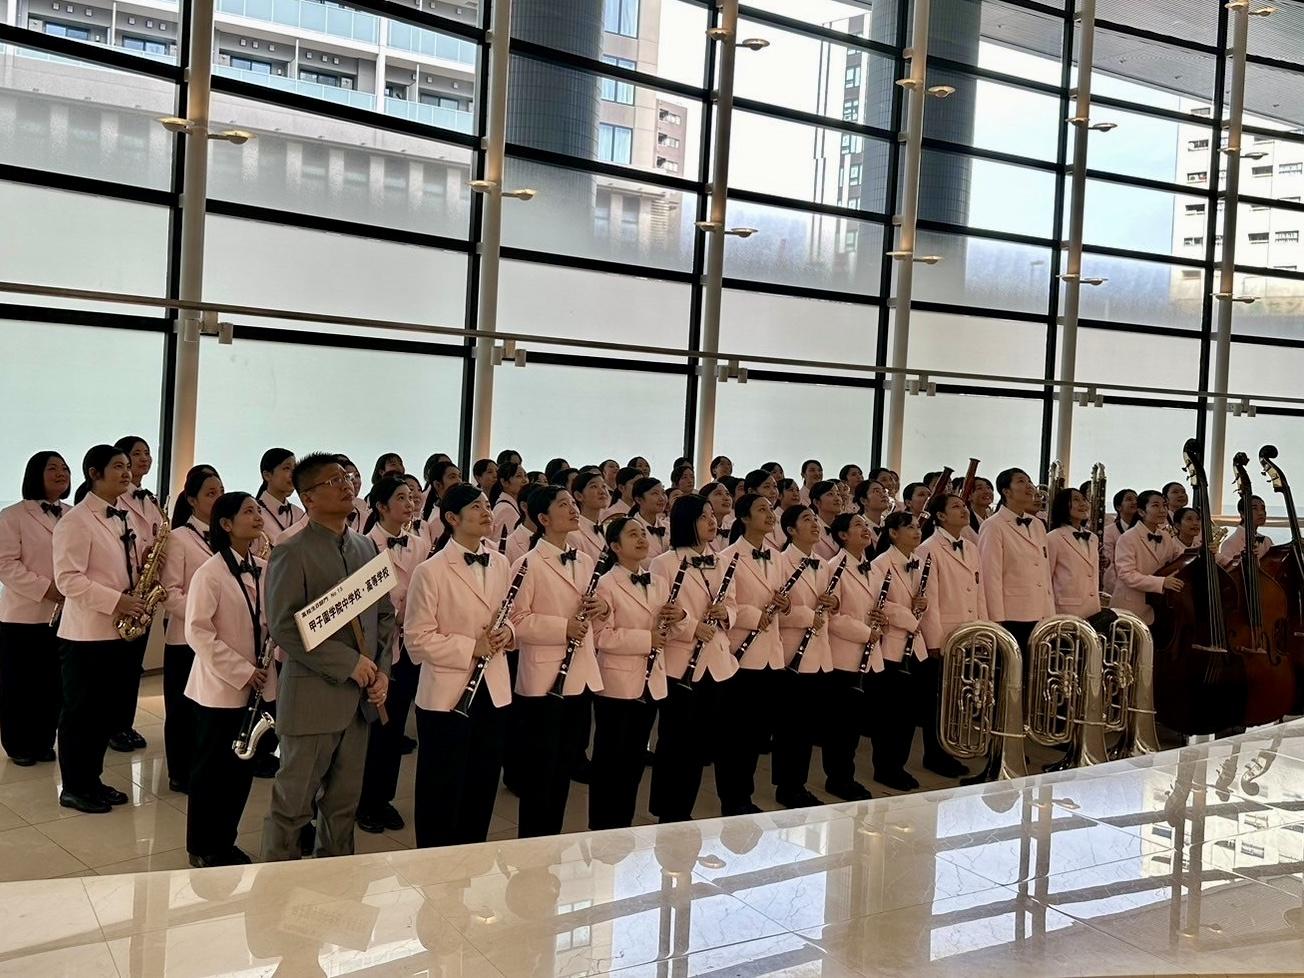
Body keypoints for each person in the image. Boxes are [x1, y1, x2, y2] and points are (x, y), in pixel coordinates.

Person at [262, 453, 395, 861]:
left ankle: (336, 881)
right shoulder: (291, 551)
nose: (346, 485)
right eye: (333, 481)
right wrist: (348, 663)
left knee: (342, 806)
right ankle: (277, 883)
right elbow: (284, 626)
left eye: (347, 478)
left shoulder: (366, 547)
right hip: (311, 700)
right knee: (292, 807)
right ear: (308, 497)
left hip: (359, 703)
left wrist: (382, 672)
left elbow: (384, 615)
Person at [404, 483, 515, 847]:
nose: (487, 512)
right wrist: (471, 647)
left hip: (493, 688)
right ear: (452, 518)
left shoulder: (500, 562)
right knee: (441, 787)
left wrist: (509, 633)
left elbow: (510, 615)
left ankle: (472, 856)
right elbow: (416, 639)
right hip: (446, 694)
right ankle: (435, 861)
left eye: (487, 505)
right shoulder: (430, 570)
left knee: (482, 782)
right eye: (477, 507)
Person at [509, 485, 610, 837]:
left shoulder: (585, 560)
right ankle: (533, 842)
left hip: (579, 675)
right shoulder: (528, 563)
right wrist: (562, 627)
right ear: (543, 518)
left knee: (565, 764)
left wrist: (602, 607)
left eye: (572, 503)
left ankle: (552, 841)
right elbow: (517, 622)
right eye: (563, 504)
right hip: (544, 679)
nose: (573, 509)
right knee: (540, 769)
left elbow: (598, 614)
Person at [183, 491, 277, 867]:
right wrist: (243, 671)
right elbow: (198, 632)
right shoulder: (209, 573)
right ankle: (202, 847)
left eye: (258, 510)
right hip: (220, 688)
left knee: (241, 770)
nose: (257, 516)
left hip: (258, 685)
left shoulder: (265, 568)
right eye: (248, 511)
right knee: (211, 772)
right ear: (226, 524)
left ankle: (225, 841)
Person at [52, 445, 144, 814]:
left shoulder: (124, 515)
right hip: (85, 634)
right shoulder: (75, 521)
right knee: (81, 714)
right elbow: (68, 579)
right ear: (94, 473)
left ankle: (93, 780)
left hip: (117, 632)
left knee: (103, 714)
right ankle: (74, 787)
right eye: (118, 467)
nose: (127, 473)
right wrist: (118, 601)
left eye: (127, 466)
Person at [590, 516, 683, 829]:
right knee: (609, 760)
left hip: (650, 680)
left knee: (633, 761)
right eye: (633, 535)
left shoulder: (658, 582)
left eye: (643, 533)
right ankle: (602, 826)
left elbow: (668, 629)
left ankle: (624, 823)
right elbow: (601, 637)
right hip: (617, 683)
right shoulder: (606, 583)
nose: (642, 539)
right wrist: (647, 639)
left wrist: (677, 620)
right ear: (615, 547)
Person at [649, 494, 737, 822]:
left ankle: (684, 809)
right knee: (675, 742)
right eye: (703, 516)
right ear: (686, 521)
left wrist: (726, 613)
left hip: (718, 663)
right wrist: (690, 625)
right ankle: (668, 811)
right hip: (680, 664)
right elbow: (662, 613)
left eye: (712, 515)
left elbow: (734, 603)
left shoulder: (723, 561)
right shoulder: (664, 563)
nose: (712, 521)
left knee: (699, 745)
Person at [356, 476, 423, 835]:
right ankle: (364, 802)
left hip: (411, 646)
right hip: (380, 649)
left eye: (411, 497)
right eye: (400, 498)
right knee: (374, 728)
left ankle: (383, 798)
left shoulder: (420, 544)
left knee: (395, 727)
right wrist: (396, 615)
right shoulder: (365, 546)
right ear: (381, 507)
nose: (409, 504)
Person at [717, 494, 790, 815]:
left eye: (770, 509)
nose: (770, 514)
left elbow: (782, 597)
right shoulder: (727, 557)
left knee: (758, 732)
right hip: (741, 654)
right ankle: (733, 798)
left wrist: (785, 604)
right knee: (736, 735)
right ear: (744, 518)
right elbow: (725, 604)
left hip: (772, 653)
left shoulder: (777, 557)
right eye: (762, 510)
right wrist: (754, 615)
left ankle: (745, 794)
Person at [0, 451, 70, 767]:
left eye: (64, 468)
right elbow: (6, 565)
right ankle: (18, 744)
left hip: (65, 615)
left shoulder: (73, 515)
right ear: (35, 475)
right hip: (23, 615)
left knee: (53, 684)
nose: (60, 472)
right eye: (52, 468)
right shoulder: (12, 516)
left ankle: (43, 740)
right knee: (19, 684)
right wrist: (47, 589)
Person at [159, 465, 224, 793]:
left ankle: (207, 766)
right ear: (192, 500)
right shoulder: (179, 538)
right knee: (182, 710)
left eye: (221, 492)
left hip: (223, 638)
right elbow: (170, 592)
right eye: (211, 493)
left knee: (212, 708)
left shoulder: (229, 536)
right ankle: (180, 772)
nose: (218, 498)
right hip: (186, 638)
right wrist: (204, 618)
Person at [772, 504, 837, 808]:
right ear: (790, 530)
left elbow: (829, 607)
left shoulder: (822, 564)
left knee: (807, 727)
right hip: (792, 654)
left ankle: (798, 783)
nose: (814, 524)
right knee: (790, 728)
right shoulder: (781, 562)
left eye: (814, 519)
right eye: (806, 520)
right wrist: (808, 615)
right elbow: (776, 610)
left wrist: (833, 602)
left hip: (819, 653)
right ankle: (787, 787)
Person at [916, 493, 983, 778]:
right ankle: (935, 754)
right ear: (940, 516)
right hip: (944, 635)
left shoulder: (971, 547)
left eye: (964, 506)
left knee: (959, 695)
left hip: (968, 632)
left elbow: (978, 590)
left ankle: (952, 747)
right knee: (938, 700)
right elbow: (929, 600)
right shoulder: (928, 549)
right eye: (956, 507)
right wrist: (933, 641)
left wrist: (984, 628)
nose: (963, 510)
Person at [864, 512, 929, 791]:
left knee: (907, 714)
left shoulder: (919, 562)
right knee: (889, 715)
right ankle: (885, 768)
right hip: (891, 646)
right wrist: (909, 617)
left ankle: (899, 765)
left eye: (917, 526)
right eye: (909, 527)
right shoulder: (880, 563)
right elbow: (879, 604)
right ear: (893, 533)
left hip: (915, 646)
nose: (916, 531)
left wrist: (923, 604)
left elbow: (922, 599)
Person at [112, 434, 162, 754]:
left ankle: (125, 724)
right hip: (122, 589)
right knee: (116, 666)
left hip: (145, 590)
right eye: (137, 454)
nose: (144, 459)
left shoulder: (151, 499)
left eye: (147, 453)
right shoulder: (114, 499)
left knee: (133, 666)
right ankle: (111, 726)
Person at [824, 512, 879, 799]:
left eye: (865, 525)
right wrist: (866, 632)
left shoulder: (872, 568)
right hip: (844, 655)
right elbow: (833, 617)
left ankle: (848, 775)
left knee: (855, 725)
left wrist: (884, 618)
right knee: (841, 727)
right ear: (843, 535)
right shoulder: (834, 567)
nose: (865, 529)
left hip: (869, 655)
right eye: (858, 525)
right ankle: (838, 779)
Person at [978, 468, 1054, 654]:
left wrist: (1050, 612)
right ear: (1006, 491)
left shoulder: (1037, 524)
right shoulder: (993, 526)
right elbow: (990, 576)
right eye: (1021, 481)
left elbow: (1044, 571)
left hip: (1040, 612)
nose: (1029, 486)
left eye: (1030, 482)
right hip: (1012, 614)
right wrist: (996, 620)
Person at [1110, 490, 1184, 625]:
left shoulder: (1165, 536)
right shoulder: (1128, 538)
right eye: (1155, 506)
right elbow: (1127, 574)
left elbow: (1181, 556)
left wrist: (1207, 551)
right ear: (1141, 512)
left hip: (1159, 606)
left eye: (1164, 505)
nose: (1163, 510)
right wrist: (1161, 582)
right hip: (1131, 607)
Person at [1045, 487, 1102, 619]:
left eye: (1084, 499)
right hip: (1064, 611)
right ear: (1063, 506)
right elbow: (1046, 578)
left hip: (1093, 609)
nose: (1083, 504)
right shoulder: (1053, 538)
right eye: (1076, 500)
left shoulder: (1093, 538)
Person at [255, 448, 303, 545]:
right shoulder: (254, 513)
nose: (293, 474)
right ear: (267, 475)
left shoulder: (298, 513)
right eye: (287, 468)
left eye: (295, 468)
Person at [1218, 494, 1272, 568]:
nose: (1261, 513)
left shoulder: (1267, 541)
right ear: (1242, 514)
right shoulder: (1230, 543)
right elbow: (1229, 572)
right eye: (1254, 508)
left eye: (1263, 509)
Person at [569, 471, 611, 563]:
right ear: (579, 496)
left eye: (603, 486)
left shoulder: (608, 528)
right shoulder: (572, 534)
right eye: (594, 486)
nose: (602, 491)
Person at [1102, 488, 1138, 595]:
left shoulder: (1144, 530)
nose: (1134, 502)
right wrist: (1117, 589)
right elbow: (1109, 565)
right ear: (1118, 507)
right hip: (1118, 588)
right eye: (1129, 499)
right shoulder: (1109, 531)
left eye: (1136, 499)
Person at [489, 461, 528, 551]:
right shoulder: (505, 509)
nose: (525, 480)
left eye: (525, 476)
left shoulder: (511, 505)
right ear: (504, 482)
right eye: (519, 476)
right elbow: (500, 544)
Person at [630, 477, 670, 566]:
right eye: (655, 493)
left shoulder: (669, 527)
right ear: (638, 499)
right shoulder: (628, 529)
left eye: (663, 493)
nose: (662, 498)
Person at [809, 481, 843, 561]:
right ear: (816, 502)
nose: (837, 499)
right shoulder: (810, 529)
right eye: (830, 494)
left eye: (838, 494)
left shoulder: (845, 526)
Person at [700, 481, 734, 553]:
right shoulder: (698, 531)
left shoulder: (733, 529)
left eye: (727, 494)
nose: (726, 498)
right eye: (719, 494)